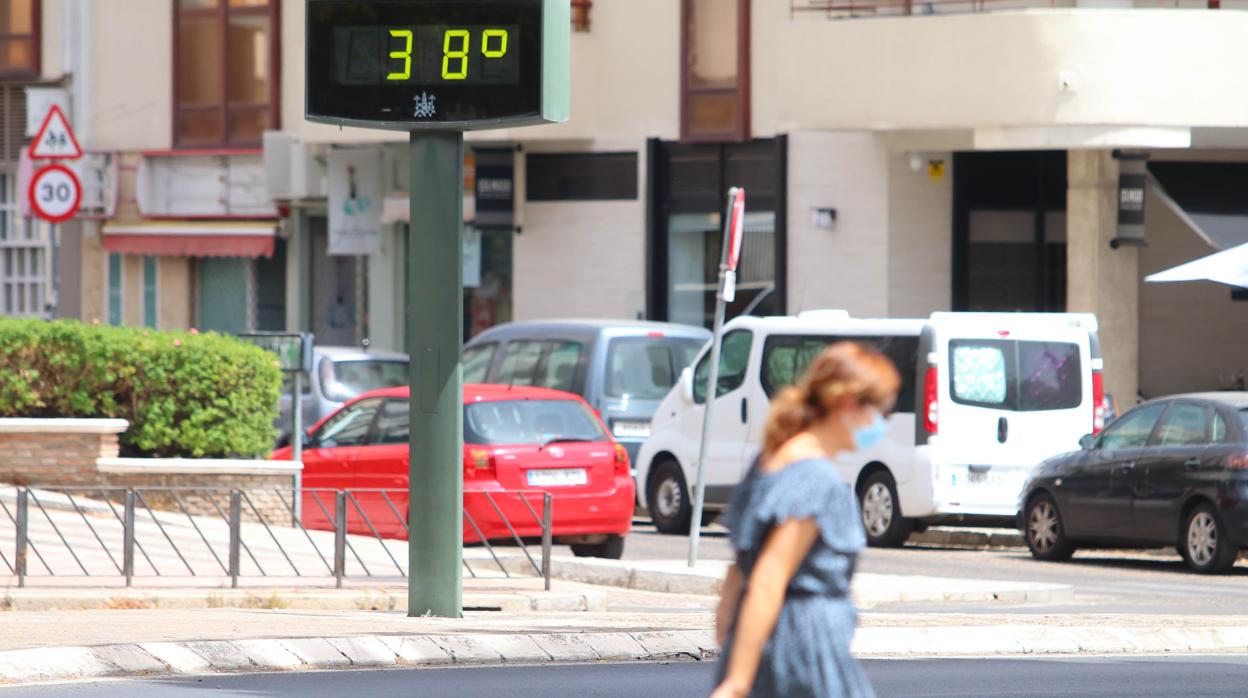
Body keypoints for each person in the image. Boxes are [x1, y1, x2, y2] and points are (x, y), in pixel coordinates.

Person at [711, 342, 900, 698]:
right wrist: (736, 682)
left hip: (773, 645)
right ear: (847, 405)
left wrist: (733, 650)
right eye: (879, 411)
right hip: (805, 653)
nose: (881, 423)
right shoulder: (816, 478)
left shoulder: (772, 458)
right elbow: (769, 578)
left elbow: (739, 570)